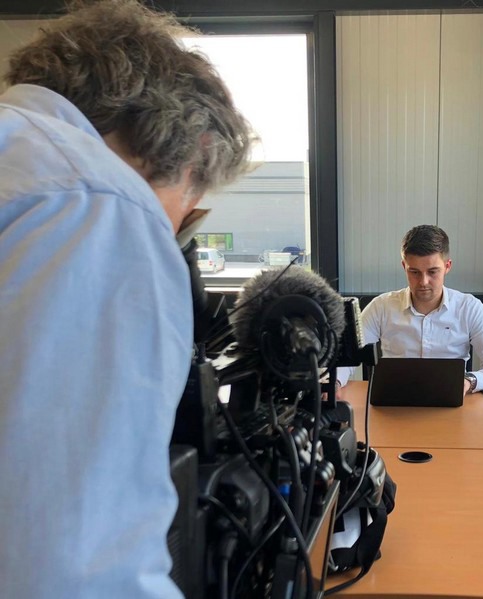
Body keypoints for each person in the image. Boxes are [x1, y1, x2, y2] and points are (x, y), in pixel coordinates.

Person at [0, 1, 254, 598]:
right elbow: (73, 571)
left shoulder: (20, 154)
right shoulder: (95, 203)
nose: (175, 230)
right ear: (192, 150)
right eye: (189, 208)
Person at [337, 225, 483, 394]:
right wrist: (335, 383)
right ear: (404, 267)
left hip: (451, 402)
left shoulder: (469, 308)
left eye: (432, 272)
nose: (423, 282)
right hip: (394, 401)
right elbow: (347, 357)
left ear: (447, 266)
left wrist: (469, 381)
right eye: (414, 272)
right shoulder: (381, 306)